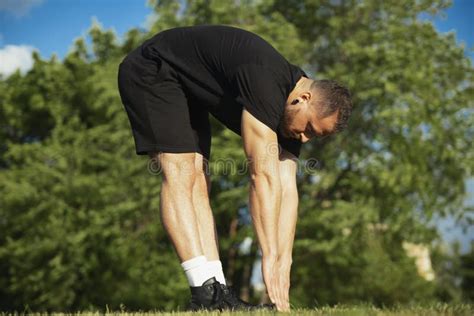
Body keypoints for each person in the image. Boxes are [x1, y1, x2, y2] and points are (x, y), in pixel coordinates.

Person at [117, 25, 352, 312]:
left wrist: (284, 259)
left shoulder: (293, 116)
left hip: (186, 88)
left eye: (314, 136)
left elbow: (287, 188)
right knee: (181, 171)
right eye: (310, 129)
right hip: (152, 69)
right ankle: (203, 294)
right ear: (304, 99)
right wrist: (268, 254)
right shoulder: (267, 82)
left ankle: (218, 293)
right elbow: (262, 176)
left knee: (200, 179)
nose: (305, 138)